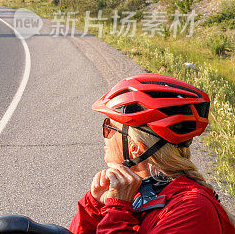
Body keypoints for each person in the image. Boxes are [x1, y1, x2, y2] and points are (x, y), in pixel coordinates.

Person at [70, 73, 235, 233]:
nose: (105, 137)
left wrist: (118, 211)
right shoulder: (133, 192)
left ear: (135, 148)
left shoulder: (192, 209)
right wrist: (94, 206)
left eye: (109, 127)